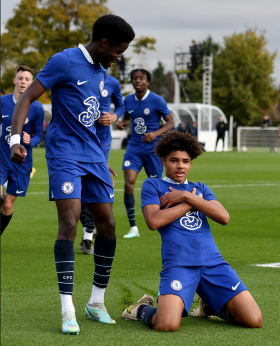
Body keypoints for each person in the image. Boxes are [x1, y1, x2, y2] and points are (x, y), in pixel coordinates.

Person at [10, 14, 135, 335]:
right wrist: (15, 139)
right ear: (104, 43)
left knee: (108, 224)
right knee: (69, 223)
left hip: (94, 158)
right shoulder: (64, 61)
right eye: (118, 50)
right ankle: (67, 309)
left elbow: (88, 119)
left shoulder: (102, 75)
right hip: (64, 155)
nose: (119, 57)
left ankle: (96, 302)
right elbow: (26, 98)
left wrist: (100, 156)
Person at [122, 130, 262, 331]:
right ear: (163, 161)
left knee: (253, 320)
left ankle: (210, 305)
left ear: (191, 163)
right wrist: (191, 202)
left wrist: (187, 197)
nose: (180, 166)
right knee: (167, 324)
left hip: (213, 263)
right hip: (180, 264)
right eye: (174, 160)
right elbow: (153, 221)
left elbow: (224, 217)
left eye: (186, 161)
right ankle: (141, 309)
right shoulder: (153, 185)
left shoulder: (200, 188)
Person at [117, 69, 175, 238]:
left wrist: (156, 134)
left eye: (141, 78)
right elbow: (130, 118)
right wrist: (123, 123)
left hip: (153, 151)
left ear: (148, 82)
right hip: (134, 148)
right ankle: (133, 228)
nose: (138, 81)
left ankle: (165, 220)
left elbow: (171, 122)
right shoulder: (128, 100)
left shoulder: (157, 100)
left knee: (157, 187)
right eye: (135, 79)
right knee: (129, 182)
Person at [79, 74, 125, 254]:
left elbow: (121, 106)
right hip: (80, 139)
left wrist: (114, 118)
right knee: (79, 188)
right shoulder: (80, 76)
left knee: (95, 185)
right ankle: (89, 231)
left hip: (102, 141)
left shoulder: (112, 82)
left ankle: (88, 236)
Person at [1, 65, 44, 234]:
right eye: (20, 78)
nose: (23, 82)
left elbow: (39, 136)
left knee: (7, 205)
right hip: (2, 159)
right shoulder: (2, 102)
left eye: (27, 79)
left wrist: (30, 140)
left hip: (22, 163)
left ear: (31, 83)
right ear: (14, 80)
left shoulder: (37, 108)